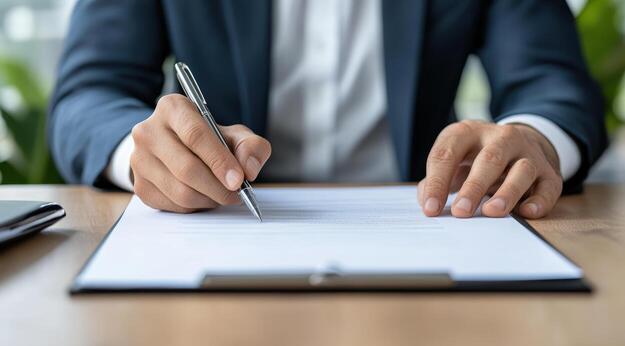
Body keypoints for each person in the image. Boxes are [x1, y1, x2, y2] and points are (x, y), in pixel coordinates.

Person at [48, 0, 607, 219]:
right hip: (221, 229)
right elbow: (89, 92)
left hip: (427, 227)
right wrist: (140, 153)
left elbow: (550, 82)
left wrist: (534, 137)